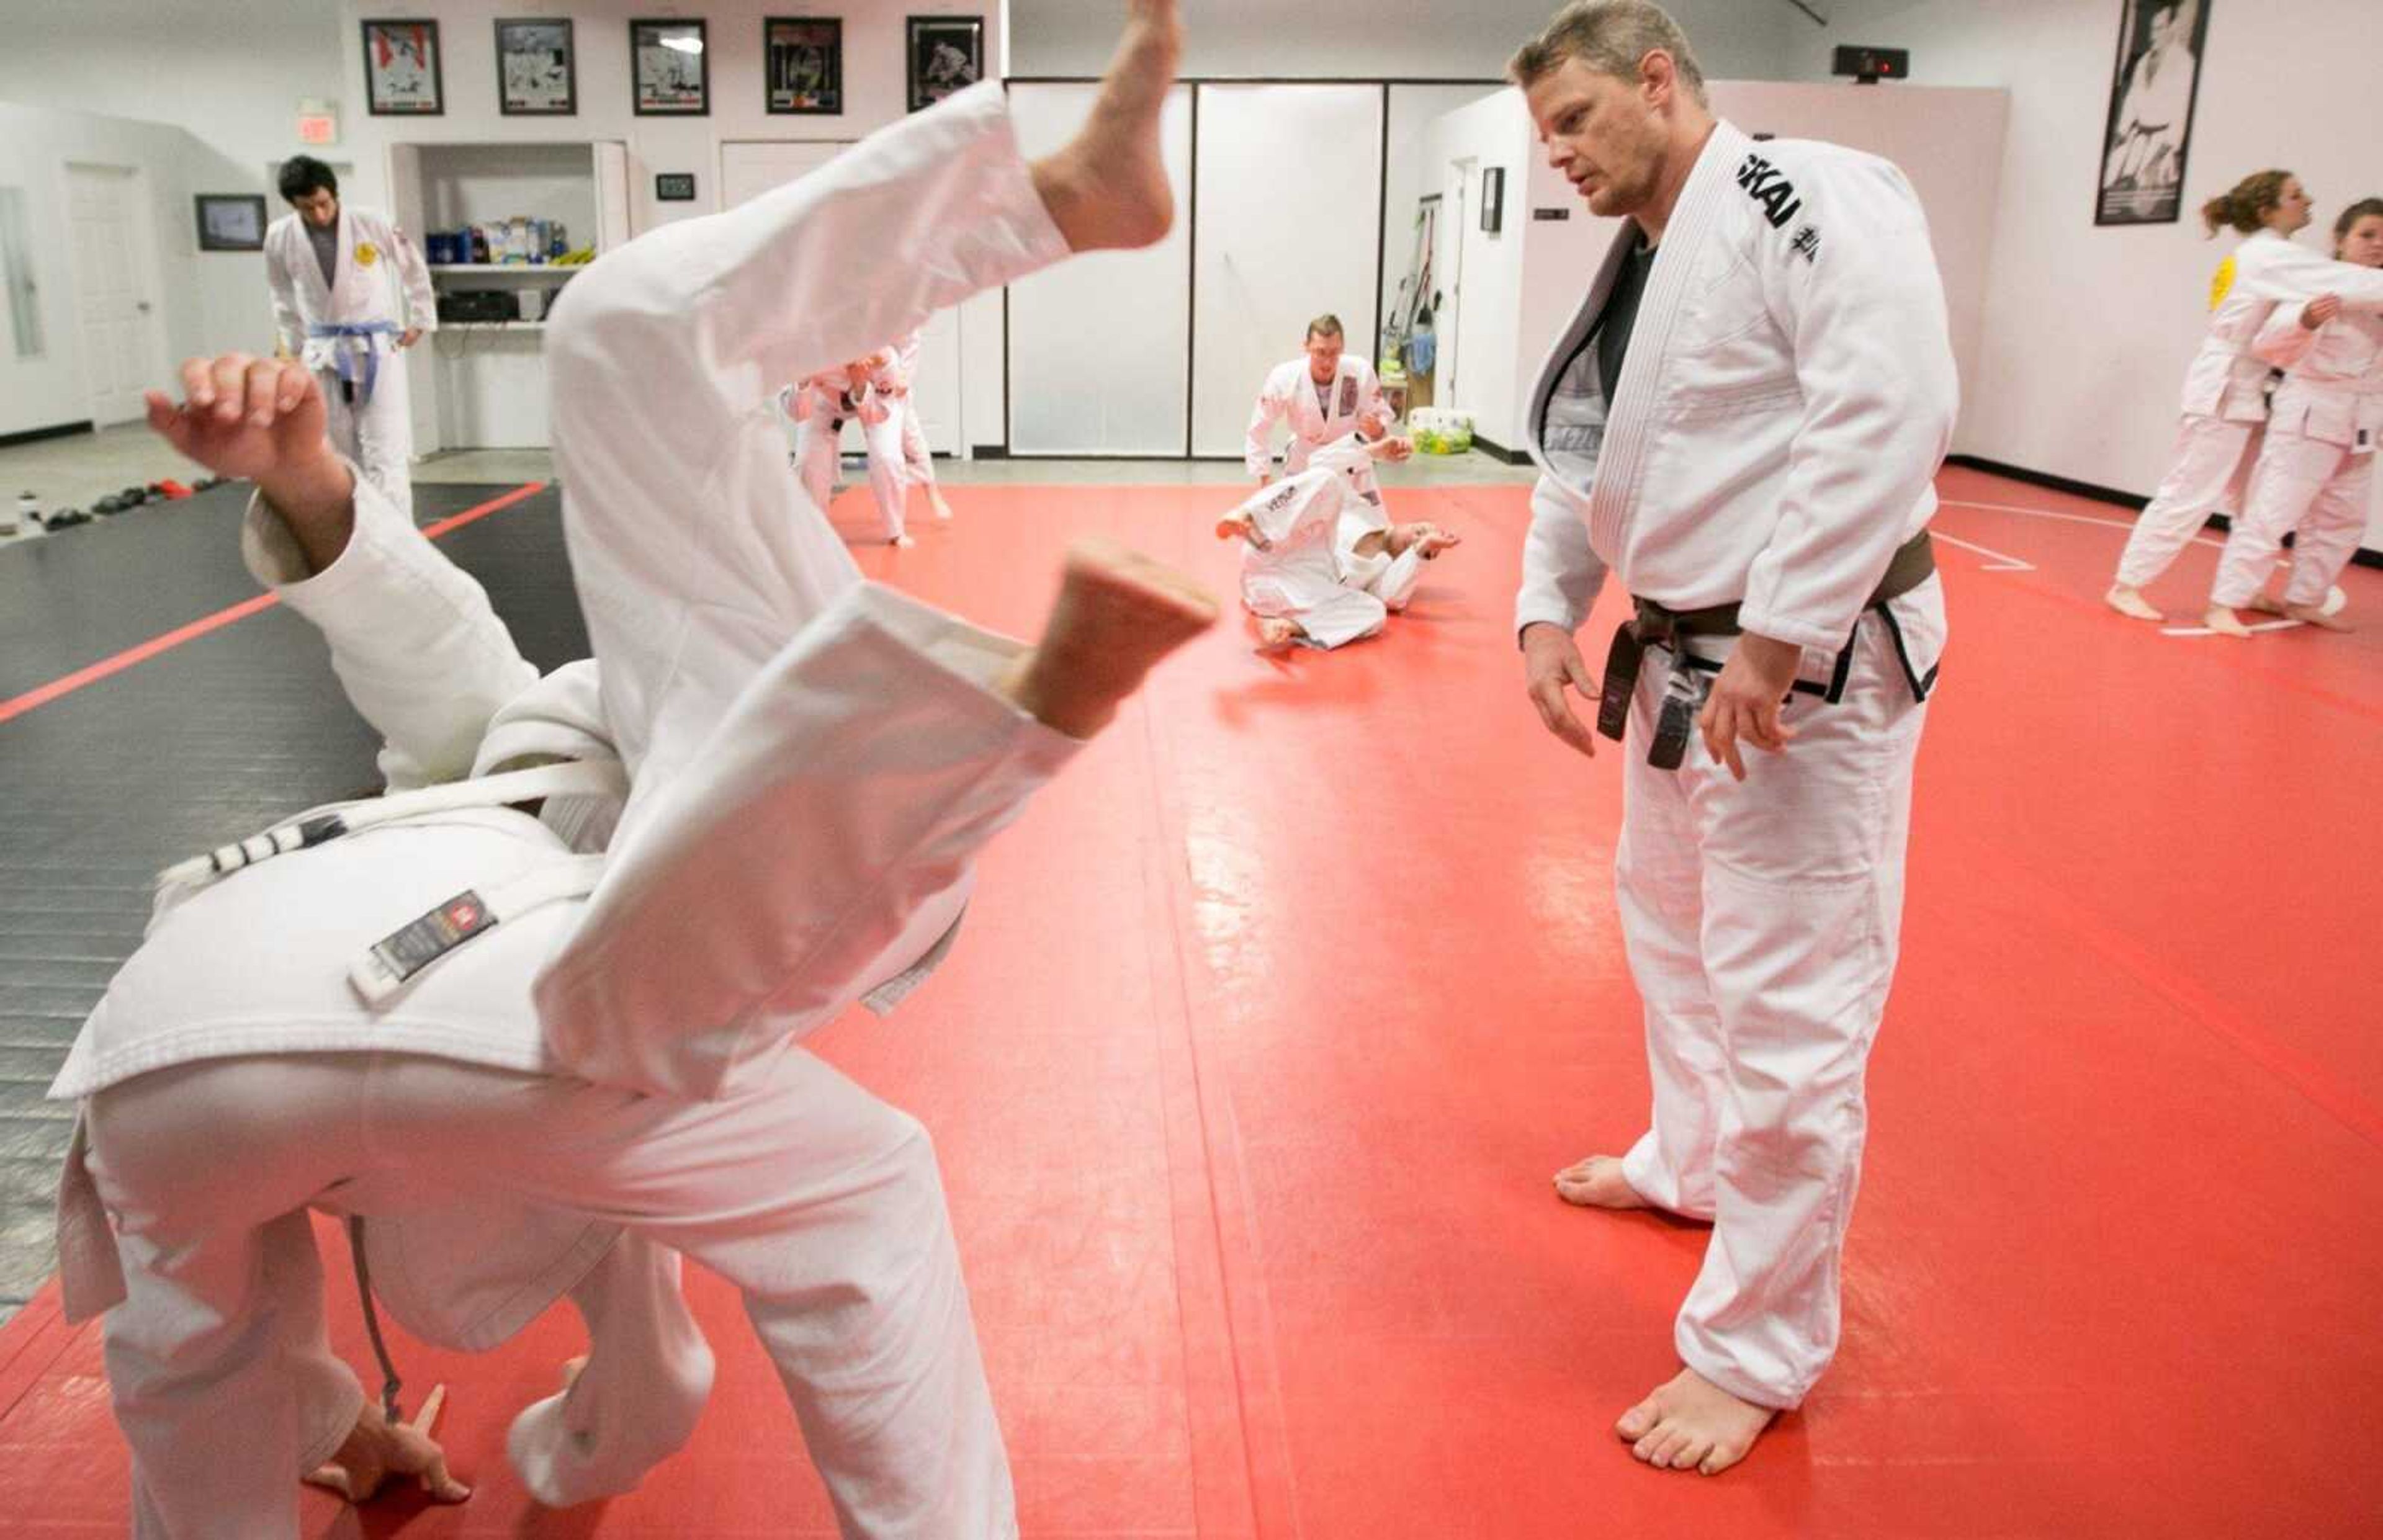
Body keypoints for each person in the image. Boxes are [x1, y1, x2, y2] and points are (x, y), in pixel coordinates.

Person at [55, 5, 1204, 1535]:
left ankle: (980, 692)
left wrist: (310, 480)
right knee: (735, 1081)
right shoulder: (566, 781)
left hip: (170, 1058)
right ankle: (975, 721)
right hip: (539, 993)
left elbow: (195, 1387)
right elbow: (441, 669)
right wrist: (553, 1452)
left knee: (606, 339)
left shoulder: (500, 760)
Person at [1509, 0, 1957, 1477]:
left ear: (1656, 78)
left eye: (1573, 119)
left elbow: (1885, 402)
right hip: (1682, 664)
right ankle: (1687, 1162)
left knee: (1789, 1004)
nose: (1556, 154)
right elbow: (1582, 448)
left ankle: (1756, 1346)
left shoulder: (1804, 191)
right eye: (1543, 133)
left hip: (1796, 682)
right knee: (1672, 931)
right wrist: (1542, 615)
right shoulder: (1642, 256)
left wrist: (1781, 630)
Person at [2105, 171, 2383, 620]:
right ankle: (2128, 582)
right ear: (2266, 210)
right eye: (2296, 195)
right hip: (2227, 385)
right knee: (2190, 491)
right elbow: (2353, 282)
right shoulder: (2269, 255)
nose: (2307, 200)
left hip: (2253, 388)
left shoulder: (2270, 255)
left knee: (2252, 504)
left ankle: (2244, 589)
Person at [2202, 199, 2383, 635]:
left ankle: (2305, 599)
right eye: (2367, 235)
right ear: (2339, 240)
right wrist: (2302, 320)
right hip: (2310, 411)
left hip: (2363, 419)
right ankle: (2225, 601)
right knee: (2272, 511)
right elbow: (2267, 346)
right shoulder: (2313, 286)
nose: (2378, 245)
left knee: (2342, 519)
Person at [264, 155, 435, 517]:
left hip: (375, 348)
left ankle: (399, 537)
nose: (320, 215)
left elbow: (413, 269)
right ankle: (352, 536)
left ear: (335, 194)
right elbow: (281, 297)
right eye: (308, 208)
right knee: (335, 450)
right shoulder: (280, 237)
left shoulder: (370, 223)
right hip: (322, 352)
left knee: (385, 449)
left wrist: (420, 318)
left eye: (324, 204)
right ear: (294, 204)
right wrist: (292, 353)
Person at [1215, 433, 1458, 650]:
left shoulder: (1384, 572)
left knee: (1375, 612)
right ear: (1407, 522)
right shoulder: (1369, 510)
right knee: (1327, 480)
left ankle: (1291, 627)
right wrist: (1372, 452)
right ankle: (1249, 517)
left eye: (1416, 544)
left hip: (1286, 594)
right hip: (1272, 547)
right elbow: (1320, 463)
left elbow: (1393, 599)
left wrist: (1423, 552)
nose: (1416, 538)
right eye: (1419, 531)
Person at [789, 349, 913, 545]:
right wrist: (803, 379)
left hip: (873, 396)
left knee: (887, 458)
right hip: (821, 396)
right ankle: (814, 529)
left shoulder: (882, 356)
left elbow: (878, 415)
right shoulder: (804, 348)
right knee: (807, 461)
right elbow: (798, 413)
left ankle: (896, 530)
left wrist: (860, 384)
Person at [1245, 314, 1388, 483]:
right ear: (1306, 347)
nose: (1327, 362)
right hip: (1305, 458)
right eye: (1320, 352)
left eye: (1334, 352)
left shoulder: (1360, 371)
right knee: (1298, 508)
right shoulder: (1284, 377)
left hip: (1349, 457)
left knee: (1360, 509)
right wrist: (1264, 476)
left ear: (1342, 348)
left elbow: (1381, 418)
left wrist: (1378, 431)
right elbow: (1259, 428)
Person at [892, 329, 959, 523]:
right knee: (885, 456)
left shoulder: (908, 328)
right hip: (867, 384)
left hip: (896, 388)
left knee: (913, 439)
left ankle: (932, 491)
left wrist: (901, 380)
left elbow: (910, 350)